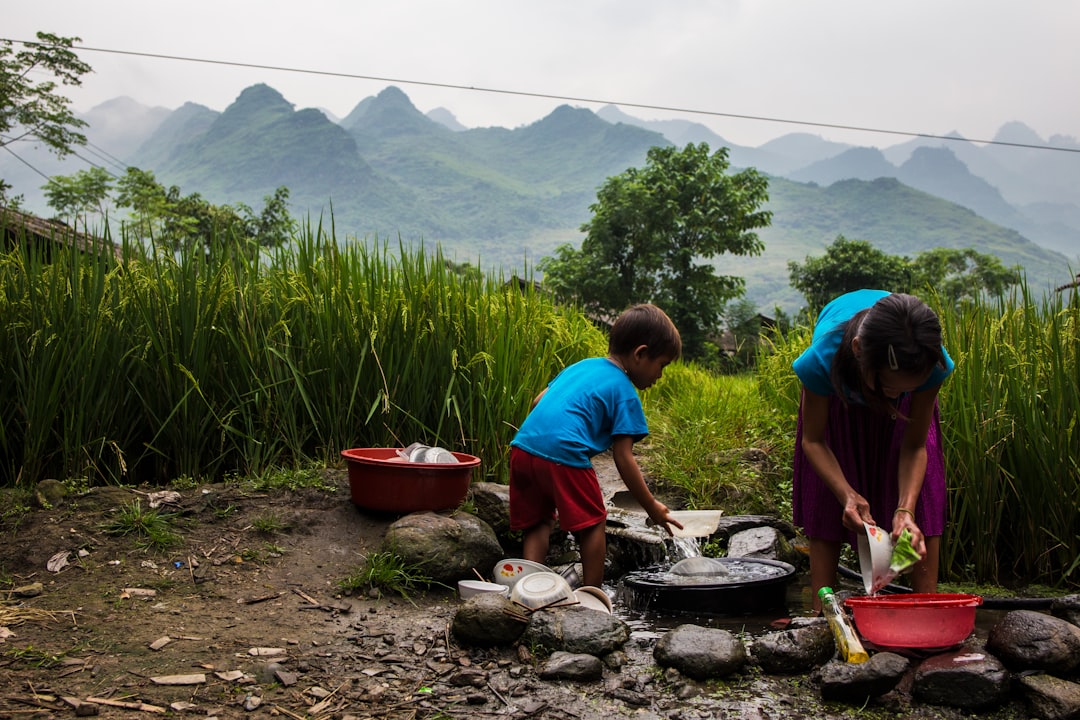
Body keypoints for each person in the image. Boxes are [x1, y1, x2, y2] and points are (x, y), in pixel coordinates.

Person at [791, 290, 954, 612]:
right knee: (827, 501)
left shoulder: (929, 362)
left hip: (900, 414)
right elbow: (814, 441)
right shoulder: (821, 360)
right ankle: (822, 613)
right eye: (890, 387)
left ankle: (926, 608)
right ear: (858, 350)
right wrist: (847, 494)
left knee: (921, 502)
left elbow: (915, 445)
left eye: (907, 389)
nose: (895, 396)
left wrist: (905, 510)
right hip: (840, 400)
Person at [509, 303, 685, 588]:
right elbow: (623, 458)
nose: (660, 375)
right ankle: (594, 594)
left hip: (523, 448)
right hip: (564, 455)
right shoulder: (624, 390)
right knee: (593, 523)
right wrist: (651, 505)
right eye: (661, 365)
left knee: (538, 522)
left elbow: (537, 401)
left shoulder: (582, 366)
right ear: (640, 354)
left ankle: (529, 589)